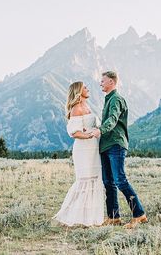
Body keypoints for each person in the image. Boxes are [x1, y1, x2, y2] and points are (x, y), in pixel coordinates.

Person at [91, 71, 148, 229]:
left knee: (120, 180)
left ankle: (139, 214)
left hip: (115, 144)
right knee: (108, 182)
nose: (100, 83)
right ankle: (114, 217)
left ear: (111, 82)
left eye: (102, 81)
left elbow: (113, 119)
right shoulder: (108, 99)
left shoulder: (116, 99)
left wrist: (100, 130)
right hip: (106, 146)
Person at [52, 81, 104, 226]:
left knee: (94, 178)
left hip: (93, 148)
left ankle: (90, 217)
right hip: (83, 149)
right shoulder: (76, 108)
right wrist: (90, 135)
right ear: (79, 92)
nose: (88, 89)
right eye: (85, 88)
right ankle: (76, 216)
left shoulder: (87, 106)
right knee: (84, 180)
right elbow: (75, 132)